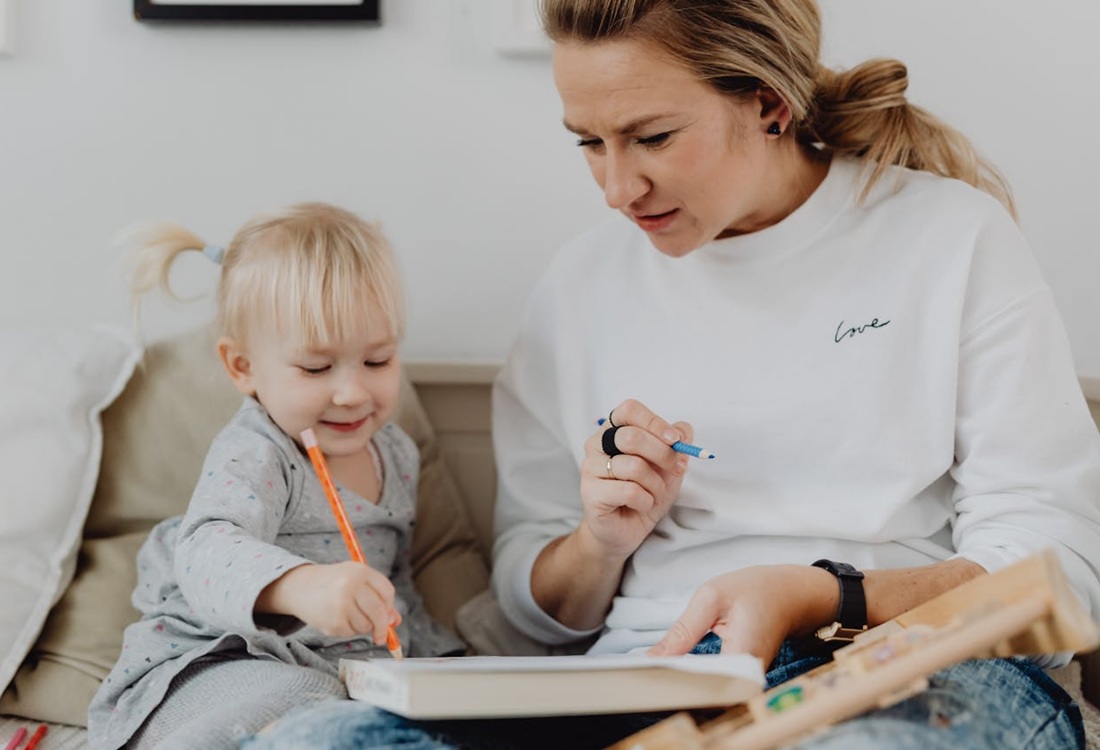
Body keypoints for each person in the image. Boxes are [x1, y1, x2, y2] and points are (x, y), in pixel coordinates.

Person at [248, 1, 1100, 748]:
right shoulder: (582, 286)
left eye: (652, 137)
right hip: (642, 679)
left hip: (901, 666)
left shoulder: (950, 240)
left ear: (768, 103)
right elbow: (522, 613)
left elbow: (1060, 573)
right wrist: (599, 542)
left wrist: (821, 595)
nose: (618, 187)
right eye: (589, 142)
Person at [86, 202, 465, 750]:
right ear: (243, 367)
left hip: (340, 675)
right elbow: (206, 549)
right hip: (212, 667)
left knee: (393, 718)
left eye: (378, 360)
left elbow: (393, 583)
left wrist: (442, 663)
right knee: (308, 699)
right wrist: (302, 585)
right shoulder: (259, 451)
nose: (354, 392)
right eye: (315, 368)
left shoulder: (398, 454)